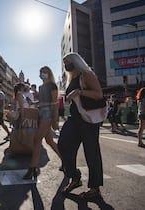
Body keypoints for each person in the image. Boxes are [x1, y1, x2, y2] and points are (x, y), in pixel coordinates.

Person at [58, 52, 103, 199]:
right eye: (64, 63)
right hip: (74, 118)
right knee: (63, 145)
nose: (66, 65)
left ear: (75, 61)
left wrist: (79, 91)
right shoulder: (72, 78)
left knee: (92, 153)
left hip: (89, 119)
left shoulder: (87, 74)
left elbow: (98, 94)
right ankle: (75, 177)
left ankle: (94, 188)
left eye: (67, 62)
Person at [23, 66, 62, 179]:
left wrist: (55, 120)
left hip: (48, 114)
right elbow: (42, 100)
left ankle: (32, 168)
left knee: (37, 139)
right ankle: (66, 161)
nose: (42, 74)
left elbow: (55, 103)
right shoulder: (41, 86)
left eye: (44, 72)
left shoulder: (52, 85)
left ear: (49, 73)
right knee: (49, 141)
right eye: (41, 72)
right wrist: (33, 102)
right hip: (40, 113)